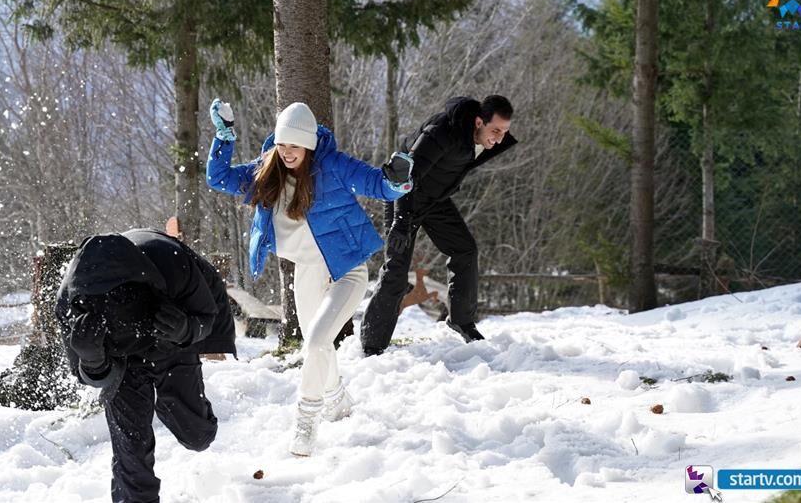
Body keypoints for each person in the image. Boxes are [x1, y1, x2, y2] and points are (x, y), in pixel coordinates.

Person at [205, 98, 412, 456]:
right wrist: (224, 137)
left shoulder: (331, 165)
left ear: (309, 144)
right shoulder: (266, 170)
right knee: (316, 345)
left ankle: (305, 421)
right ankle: (337, 400)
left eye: (295, 145)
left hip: (346, 270)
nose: (287, 152)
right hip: (308, 269)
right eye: (282, 144)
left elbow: (378, 185)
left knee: (316, 340)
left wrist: (398, 180)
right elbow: (218, 177)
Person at [54, 228, 236, 503]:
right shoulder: (73, 305)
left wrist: (185, 329)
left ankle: (168, 398)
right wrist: (92, 359)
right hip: (118, 363)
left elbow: (207, 317)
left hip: (169, 330)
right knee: (131, 450)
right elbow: (91, 376)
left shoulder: (173, 265)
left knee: (197, 436)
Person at [360, 95, 517, 356]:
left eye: (505, 132)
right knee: (396, 269)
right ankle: (372, 344)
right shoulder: (442, 132)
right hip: (405, 199)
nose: (499, 138)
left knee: (465, 250)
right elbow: (405, 172)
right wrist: (400, 220)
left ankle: (461, 320)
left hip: (435, 200)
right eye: (495, 131)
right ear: (479, 121)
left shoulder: (483, 139)